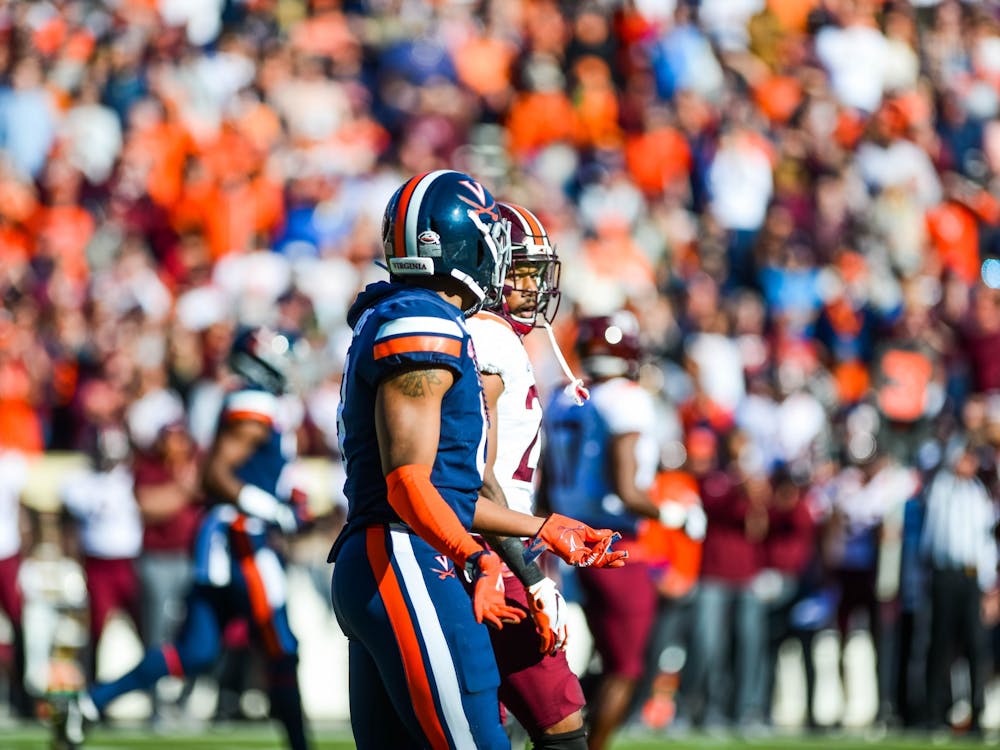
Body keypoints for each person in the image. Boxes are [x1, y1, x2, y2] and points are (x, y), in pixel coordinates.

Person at [330, 170, 625, 750]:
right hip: (408, 555)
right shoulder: (426, 319)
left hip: (390, 552)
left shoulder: (404, 312)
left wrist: (541, 526)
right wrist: (478, 558)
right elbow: (409, 482)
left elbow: (450, 487)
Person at [53, 326, 314, 750]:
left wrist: (288, 499)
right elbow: (216, 475)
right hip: (242, 540)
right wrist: (275, 509)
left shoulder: (262, 404)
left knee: (195, 651)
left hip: (227, 539)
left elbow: (256, 472)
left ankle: (89, 704)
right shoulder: (255, 403)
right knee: (280, 646)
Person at [542, 311, 704, 750]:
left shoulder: (563, 397)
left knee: (600, 657)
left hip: (565, 540)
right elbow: (627, 488)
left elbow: (544, 483)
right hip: (612, 546)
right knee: (627, 668)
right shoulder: (626, 398)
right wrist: (675, 516)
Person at [465, 201, 589, 749]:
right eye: (520, 269)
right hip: (490, 551)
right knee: (560, 723)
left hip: (492, 544)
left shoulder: (499, 337)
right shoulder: (489, 338)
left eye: (538, 272)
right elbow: (477, 469)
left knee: (491, 725)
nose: (533, 285)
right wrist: (530, 574)